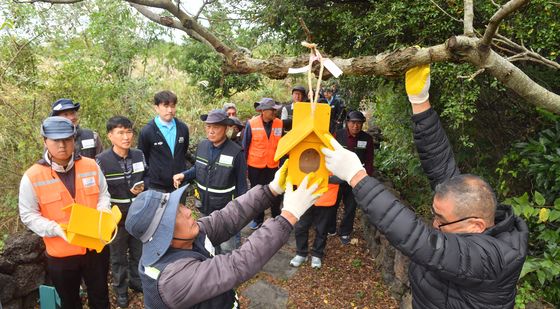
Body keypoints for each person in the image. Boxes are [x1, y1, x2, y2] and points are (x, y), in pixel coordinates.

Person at [321, 65, 529, 308]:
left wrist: (356, 177)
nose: (434, 224)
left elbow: (421, 240)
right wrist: (420, 101)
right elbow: (441, 166)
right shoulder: (468, 214)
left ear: (476, 225)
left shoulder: (491, 260)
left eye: (440, 220)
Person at [126, 163, 322, 308]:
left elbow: (226, 218)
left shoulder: (188, 236)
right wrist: (288, 216)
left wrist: (271, 189)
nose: (188, 212)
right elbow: (236, 264)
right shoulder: (172, 279)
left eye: (181, 206)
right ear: (164, 233)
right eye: (176, 214)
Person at [19, 116, 111, 309]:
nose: (62, 145)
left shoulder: (91, 165)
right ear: (45, 141)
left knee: (100, 298)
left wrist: (103, 212)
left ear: (74, 140)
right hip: (61, 254)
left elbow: (103, 194)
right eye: (55, 140)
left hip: (95, 248)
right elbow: (28, 215)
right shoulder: (32, 176)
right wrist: (55, 229)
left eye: (67, 139)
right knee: (69, 303)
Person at [172, 109, 248, 254]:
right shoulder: (202, 146)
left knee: (227, 248)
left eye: (216, 127)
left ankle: (230, 273)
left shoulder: (236, 152)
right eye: (208, 127)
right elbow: (198, 167)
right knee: (208, 244)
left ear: (226, 128)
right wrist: (184, 175)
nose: (211, 131)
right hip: (204, 208)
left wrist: (238, 213)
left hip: (225, 212)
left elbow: (242, 187)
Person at [95, 116, 148, 307]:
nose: (126, 137)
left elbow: (148, 177)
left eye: (129, 132)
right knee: (118, 258)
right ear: (110, 136)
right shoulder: (101, 160)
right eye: (120, 132)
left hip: (138, 215)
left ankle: (136, 281)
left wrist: (143, 186)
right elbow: (98, 191)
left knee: (138, 252)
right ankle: (121, 291)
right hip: (116, 219)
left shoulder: (139, 155)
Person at [328, 110, 374, 244]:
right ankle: (331, 228)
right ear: (347, 122)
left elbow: (369, 161)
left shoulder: (367, 139)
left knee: (351, 207)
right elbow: (330, 154)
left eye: (359, 123)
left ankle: (345, 232)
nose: (356, 126)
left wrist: (366, 179)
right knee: (332, 204)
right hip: (337, 176)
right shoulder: (338, 135)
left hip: (355, 179)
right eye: (353, 123)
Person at [242, 98, 283, 229]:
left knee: (275, 192)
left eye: (275, 109)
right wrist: (244, 167)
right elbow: (245, 146)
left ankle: (276, 217)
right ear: (263, 111)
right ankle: (258, 219)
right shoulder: (251, 123)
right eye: (272, 109)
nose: (274, 112)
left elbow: (281, 145)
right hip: (255, 166)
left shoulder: (279, 123)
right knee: (257, 193)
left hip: (273, 165)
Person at [138, 90, 190, 193]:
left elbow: (183, 151)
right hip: (156, 186)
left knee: (179, 209)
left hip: (179, 183)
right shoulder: (148, 131)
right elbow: (143, 157)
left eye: (173, 106)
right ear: (156, 108)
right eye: (166, 106)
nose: (170, 110)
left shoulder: (182, 128)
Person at [289, 180, 340, 269]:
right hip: (305, 195)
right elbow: (294, 173)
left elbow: (342, 176)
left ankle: (317, 254)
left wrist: (323, 177)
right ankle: (301, 253)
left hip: (326, 195)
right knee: (301, 226)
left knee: (322, 228)